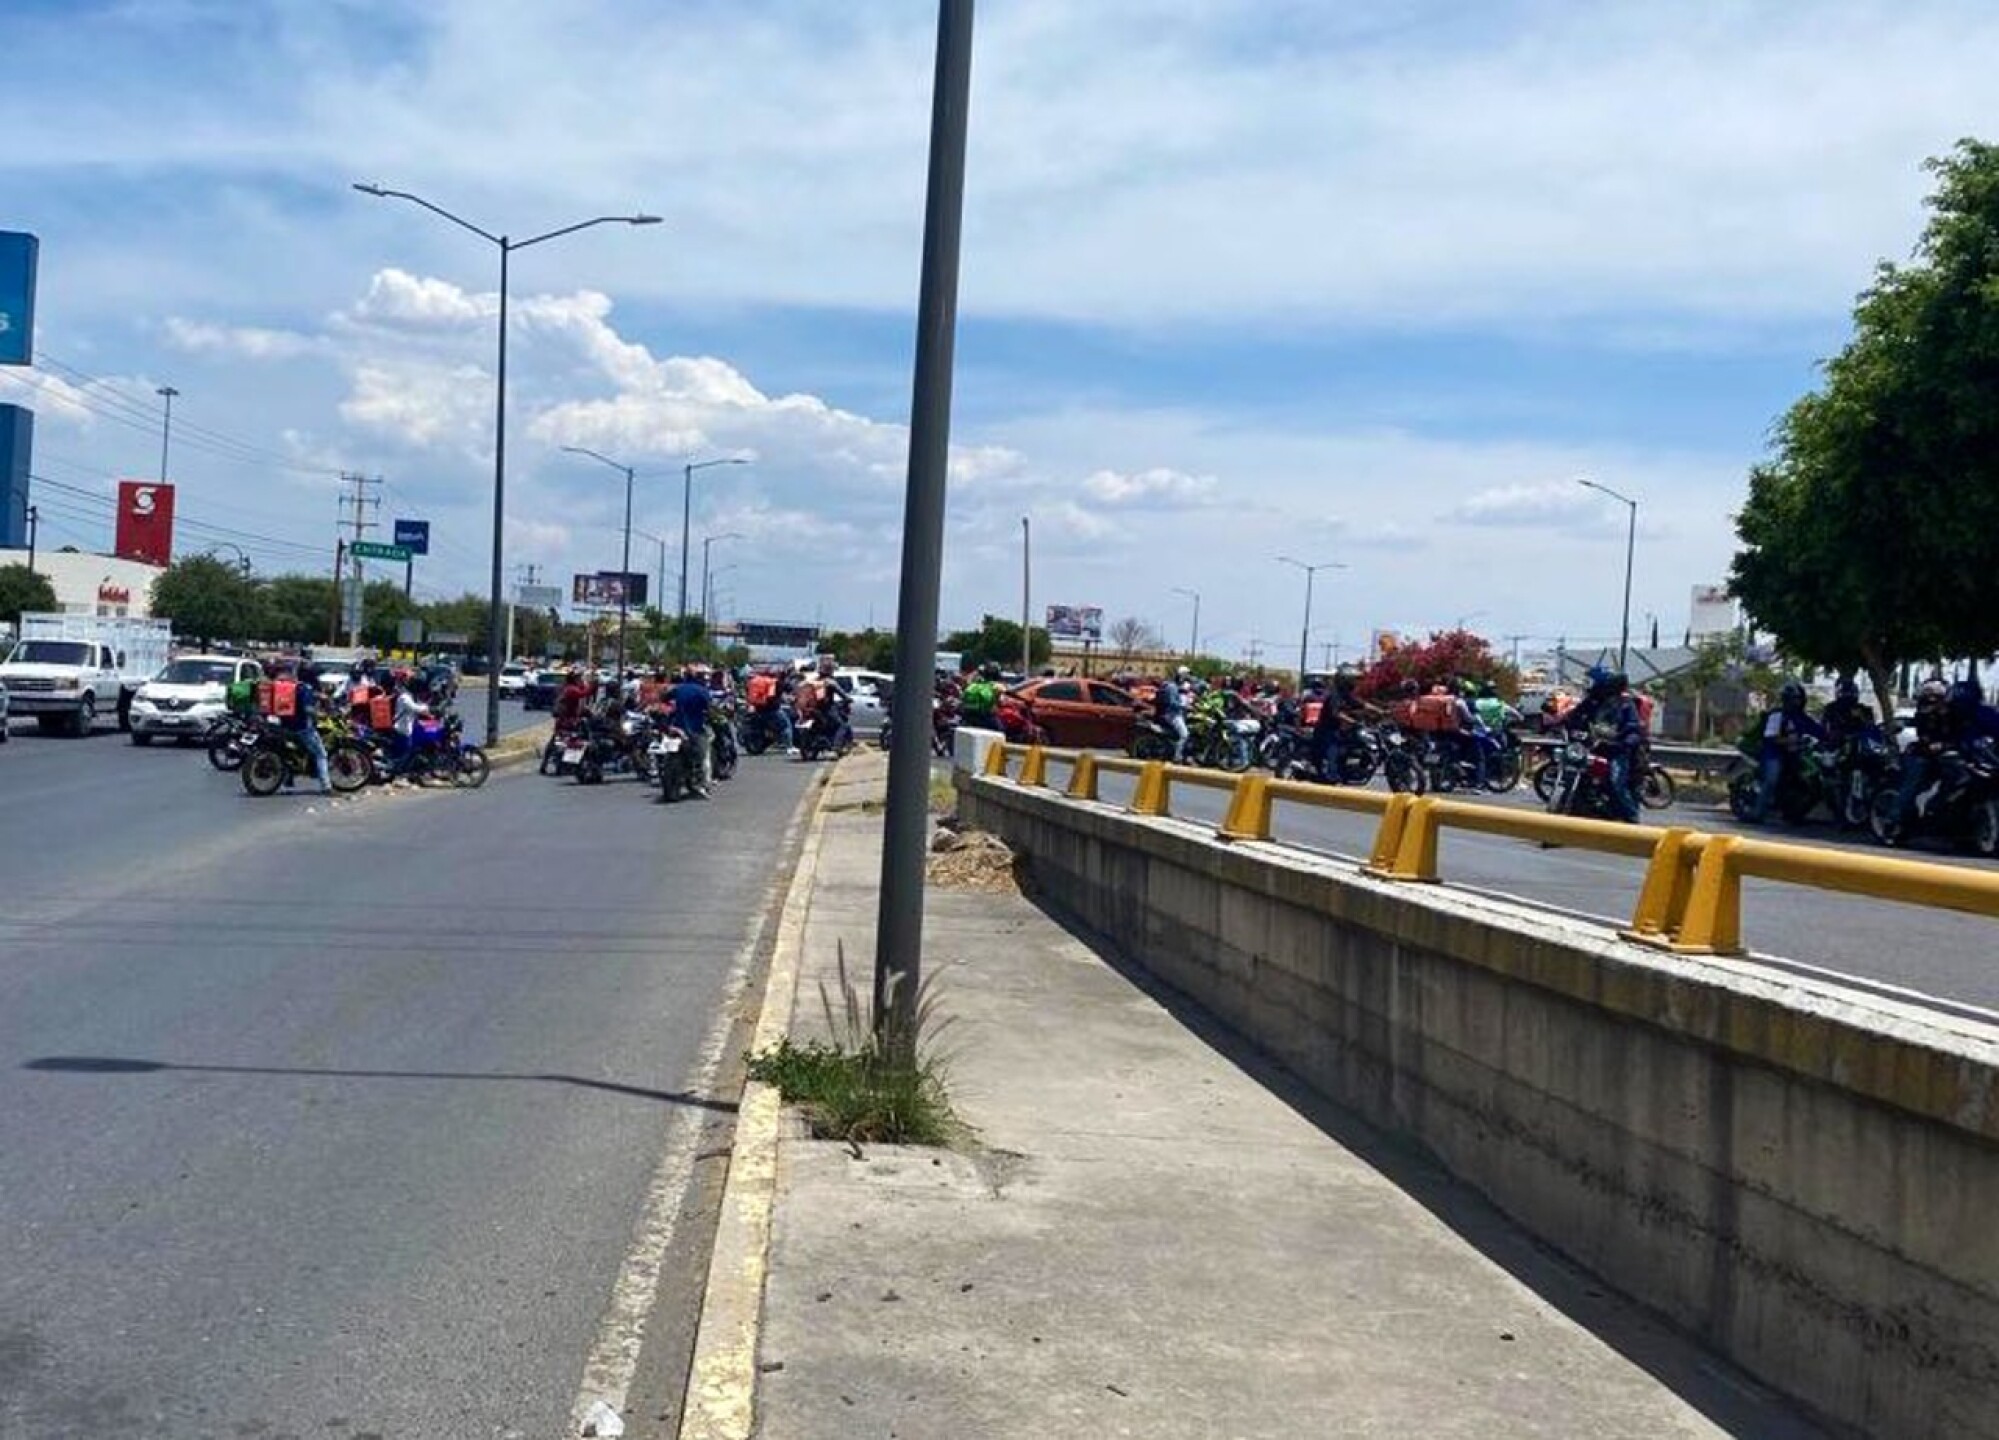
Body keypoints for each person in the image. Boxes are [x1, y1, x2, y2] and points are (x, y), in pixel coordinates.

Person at [1557, 666, 1643, 821]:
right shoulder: (1591, 702)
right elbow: (1574, 717)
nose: (1589, 686)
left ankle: (1632, 818)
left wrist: (1625, 741)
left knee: (1616, 782)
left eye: (1592, 682)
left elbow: (1633, 728)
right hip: (1592, 748)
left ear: (1606, 686)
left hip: (1615, 751)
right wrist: (1564, 723)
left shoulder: (1625, 704)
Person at [1752, 681, 1826, 823]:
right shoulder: (1777, 715)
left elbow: (1818, 731)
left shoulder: (1803, 718)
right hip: (1774, 753)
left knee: (1812, 780)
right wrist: (1790, 741)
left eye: (1799, 699)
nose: (1797, 702)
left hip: (1796, 754)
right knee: (1772, 778)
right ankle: (1758, 812)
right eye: (1794, 699)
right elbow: (1771, 737)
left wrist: (1833, 737)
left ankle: (1794, 812)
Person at [666, 665, 713, 796]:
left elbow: (664, 698)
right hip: (695, 729)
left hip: (677, 727)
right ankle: (705, 784)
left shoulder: (678, 689)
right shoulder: (702, 691)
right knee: (704, 757)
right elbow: (710, 709)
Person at [288, 660, 332, 796]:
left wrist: (323, 697)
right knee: (321, 754)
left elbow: (316, 696)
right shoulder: (306, 689)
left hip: (289, 725)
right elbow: (307, 709)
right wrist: (321, 715)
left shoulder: (297, 686)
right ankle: (326, 786)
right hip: (303, 727)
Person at [1154, 666, 1190, 762]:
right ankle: (1177, 757)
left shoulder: (1177, 687)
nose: (1187, 677)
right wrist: (1183, 706)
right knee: (1185, 735)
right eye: (1186, 675)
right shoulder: (1172, 687)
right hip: (1173, 715)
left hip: (1177, 714)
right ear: (1181, 676)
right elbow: (1172, 702)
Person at [961, 662, 1003, 732]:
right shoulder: (997, 686)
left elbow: (963, 696)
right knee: (1002, 730)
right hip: (986, 718)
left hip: (968, 717)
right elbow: (1001, 702)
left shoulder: (975, 684)